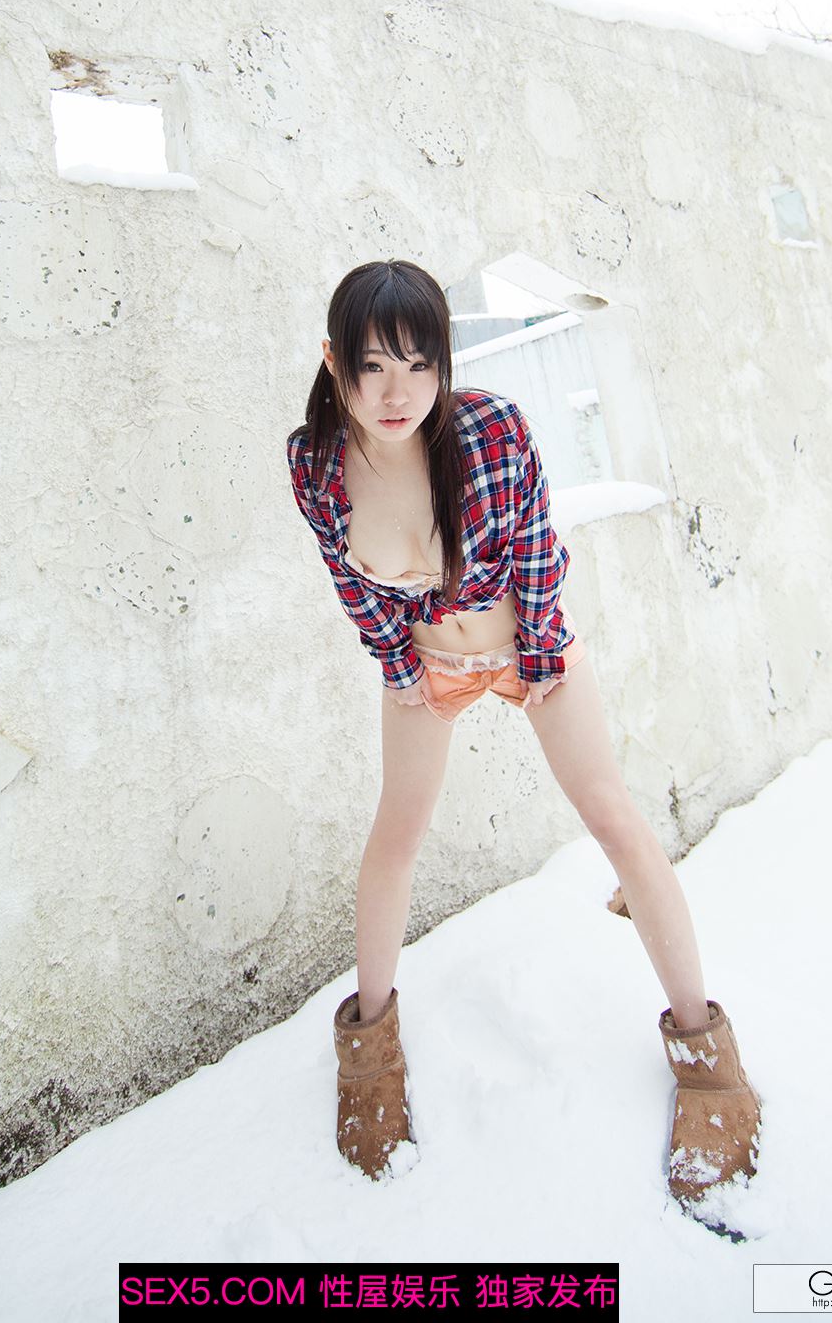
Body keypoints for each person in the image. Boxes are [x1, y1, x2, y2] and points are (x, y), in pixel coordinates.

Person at [286, 259, 761, 1210]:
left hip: (528, 646)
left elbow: (540, 556)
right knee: (396, 833)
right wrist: (400, 666)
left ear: (444, 365)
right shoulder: (315, 461)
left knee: (613, 818)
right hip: (429, 663)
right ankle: (369, 1054)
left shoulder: (489, 429)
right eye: (373, 367)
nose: (397, 394)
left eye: (420, 366)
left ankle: (710, 1061)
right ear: (335, 363)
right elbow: (350, 580)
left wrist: (539, 660)